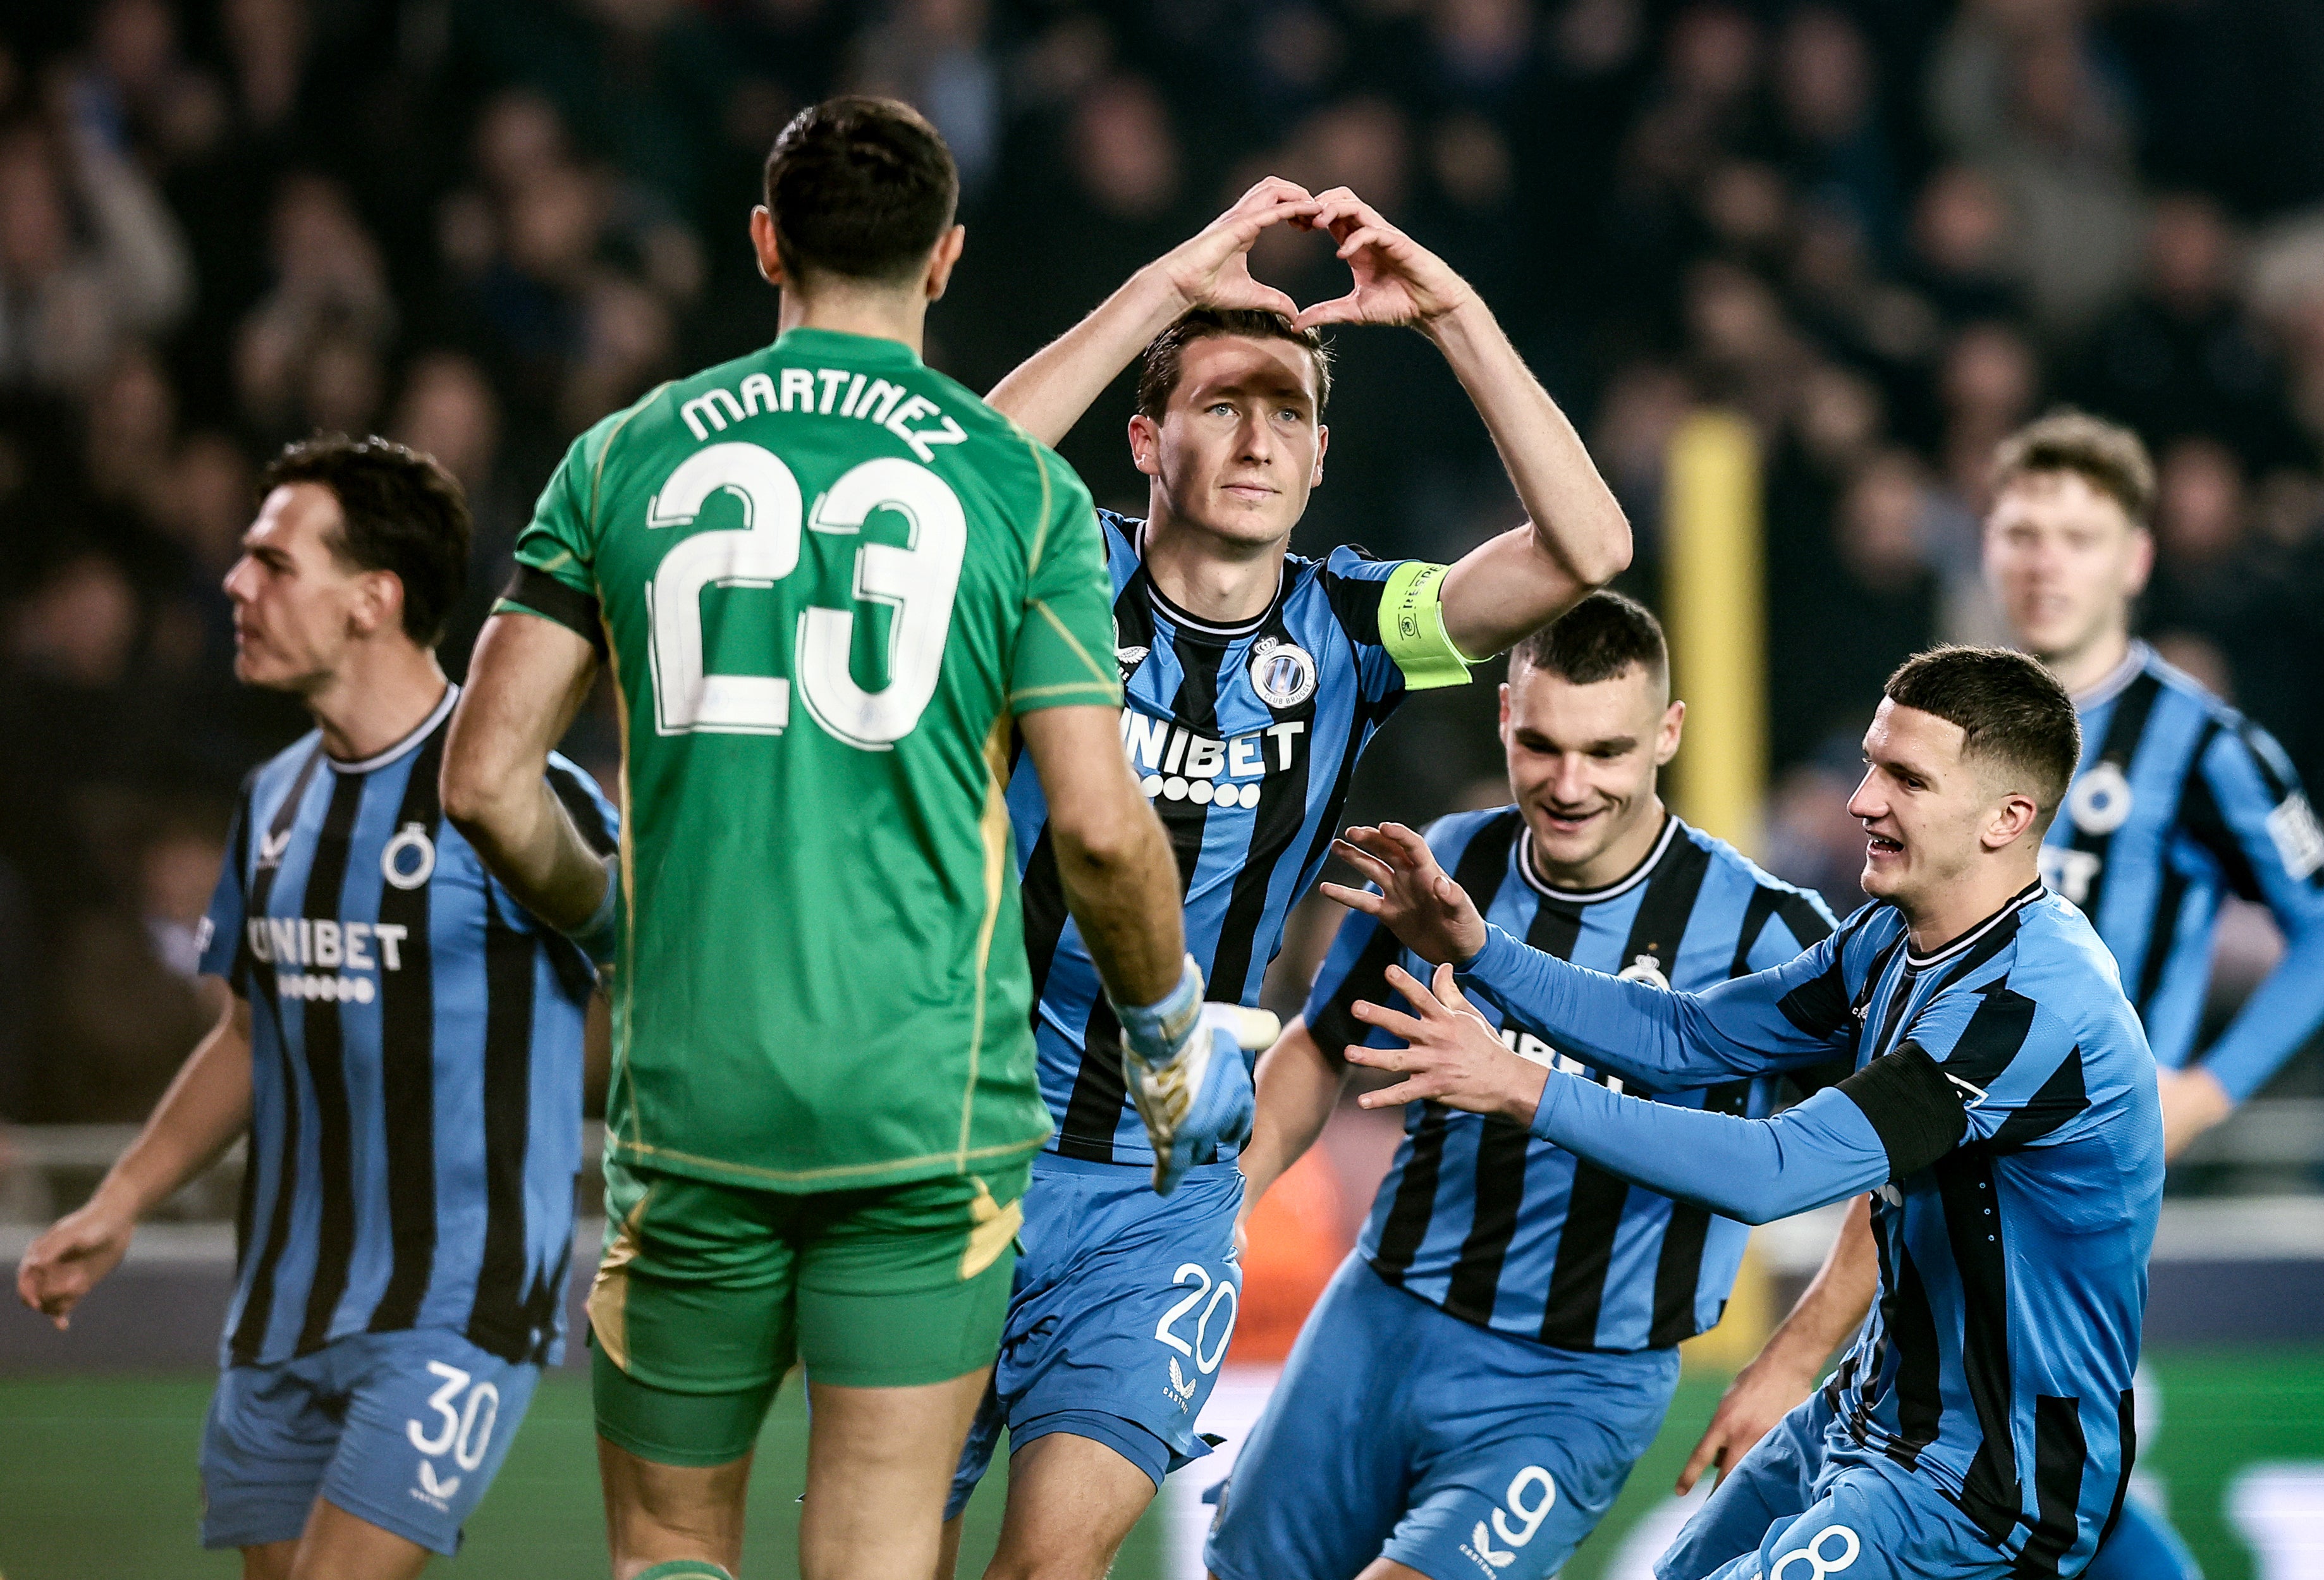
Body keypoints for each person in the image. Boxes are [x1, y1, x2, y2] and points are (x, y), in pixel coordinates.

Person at [437, 99, 1254, 1580]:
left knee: (672, 1544)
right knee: (876, 1546)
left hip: (693, 1101)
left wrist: (616, 918)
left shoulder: (620, 457)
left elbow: (487, 778)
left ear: (765, 243)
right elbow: (1100, 827)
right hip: (921, 1114)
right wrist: (1164, 1034)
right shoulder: (1016, 488)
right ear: (943, 260)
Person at [943, 178, 1636, 1580]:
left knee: (1046, 1569)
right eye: (1217, 402)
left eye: (1289, 412)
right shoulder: (1056, 562)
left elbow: (1588, 552)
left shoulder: (1355, 622)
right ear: (1142, 436)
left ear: (1322, 456)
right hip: (954, 1141)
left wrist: (1449, 313)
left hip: (1158, 1189)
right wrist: (1163, 285)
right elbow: (946, 478)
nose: (1257, 435)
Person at [1677, 412, 2324, 1580]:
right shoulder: (1950, 723)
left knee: (2020, 1476)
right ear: (1984, 548)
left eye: (2079, 537)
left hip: (2070, 1181)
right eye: (2021, 533)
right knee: (2002, 1474)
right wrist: (1797, 1352)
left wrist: (2204, 1088)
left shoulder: (2199, 745)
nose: (2045, 562)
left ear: (2135, 561)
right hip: (1946, 1145)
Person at [1326, 645, 2162, 1580]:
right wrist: (1483, 952)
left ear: (2010, 819)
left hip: (1984, 1482)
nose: (1862, 801)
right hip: (1869, 1414)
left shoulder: (2029, 1008)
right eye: (1870, 762)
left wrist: (1517, 1085)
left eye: (1907, 779)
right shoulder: (1892, 934)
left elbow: (1774, 1171)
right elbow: (1690, 1036)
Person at [15, 435, 616, 1579]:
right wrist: (123, 1198)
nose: (235, 585)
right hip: (280, 1313)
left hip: (456, 1307)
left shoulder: (520, 794)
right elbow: (250, 1033)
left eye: (273, 561)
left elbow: (650, 973)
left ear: (372, 600)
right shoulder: (274, 799)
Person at [1204, 590, 1838, 1580]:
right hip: (1380, 1319)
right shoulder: (1449, 860)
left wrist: (1797, 1361)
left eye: (1608, 752)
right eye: (1541, 745)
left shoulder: (1770, 935)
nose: (1570, 784)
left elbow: (1912, 1155)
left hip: (1576, 1384)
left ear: (1668, 734)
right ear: (1504, 714)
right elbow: (1322, 1047)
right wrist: (1222, 1208)